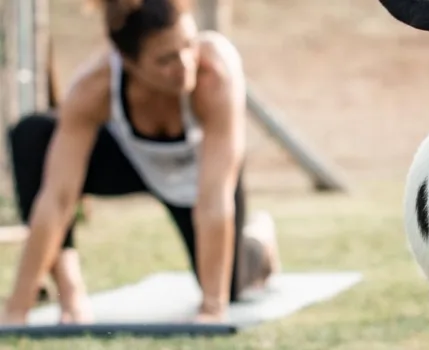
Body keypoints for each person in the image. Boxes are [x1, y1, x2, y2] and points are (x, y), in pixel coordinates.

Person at [0, 0, 280, 325]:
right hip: (131, 162)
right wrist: (17, 309)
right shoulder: (95, 85)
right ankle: (71, 294)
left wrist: (212, 308)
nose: (185, 63)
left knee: (230, 284)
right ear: (127, 62)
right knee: (31, 135)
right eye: (166, 59)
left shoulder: (215, 74)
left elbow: (214, 200)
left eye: (188, 45)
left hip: (199, 173)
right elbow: (57, 198)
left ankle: (259, 242)